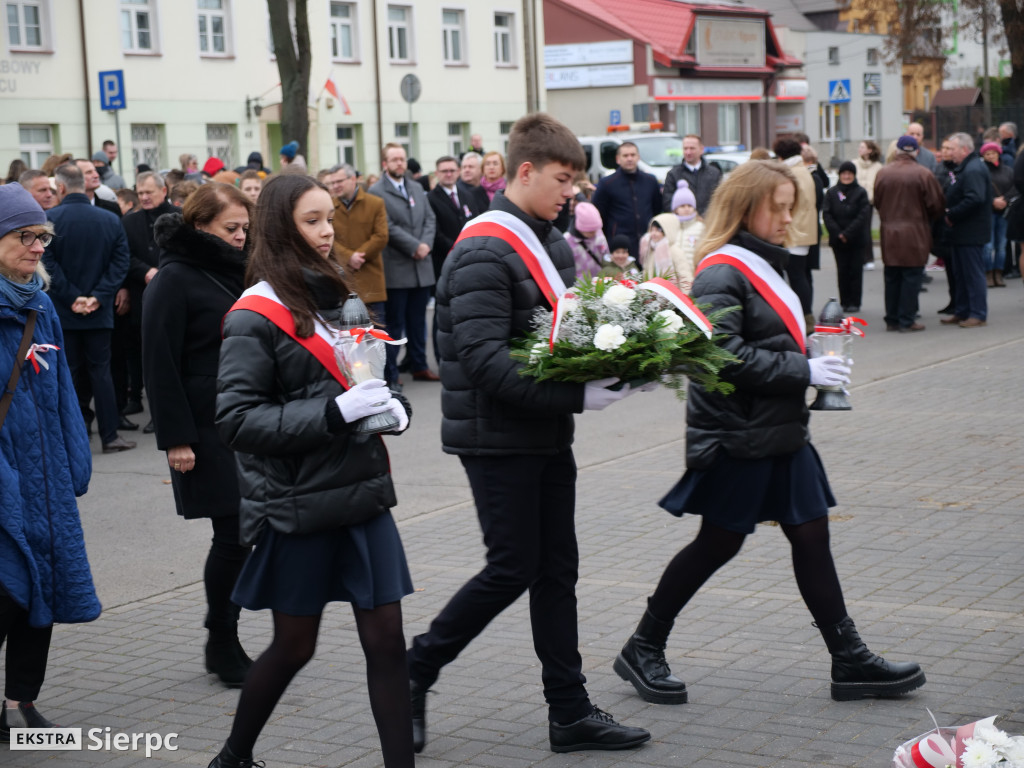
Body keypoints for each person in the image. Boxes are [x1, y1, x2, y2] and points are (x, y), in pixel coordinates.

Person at [613, 159, 925, 708]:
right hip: (739, 434)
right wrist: (804, 370)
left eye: (791, 208)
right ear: (743, 207)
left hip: (780, 431)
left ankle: (848, 658)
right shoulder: (722, 271)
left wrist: (809, 352)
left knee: (811, 533)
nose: (787, 219)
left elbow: (766, 341)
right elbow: (721, 356)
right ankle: (643, 645)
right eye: (777, 208)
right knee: (718, 542)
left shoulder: (763, 264)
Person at [408, 112, 652, 756]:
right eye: (563, 179)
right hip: (495, 438)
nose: (571, 193)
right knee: (512, 567)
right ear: (524, 171)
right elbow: (487, 363)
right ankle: (415, 669)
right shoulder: (485, 248)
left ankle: (569, 712)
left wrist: (627, 354)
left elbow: (558, 335)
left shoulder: (545, 238)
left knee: (556, 570)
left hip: (540, 430)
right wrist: (580, 393)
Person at [208, 173, 413, 768]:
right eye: (312, 221)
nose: (327, 233)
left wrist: (387, 410)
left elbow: (360, 377)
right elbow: (238, 421)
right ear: (280, 227)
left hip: (363, 497)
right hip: (299, 505)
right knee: (295, 646)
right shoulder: (254, 314)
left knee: (387, 645)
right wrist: (332, 413)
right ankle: (233, 756)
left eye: (329, 219)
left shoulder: (339, 295)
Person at [141, 183, 255, 688]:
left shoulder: (244, 269)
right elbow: (158, 363)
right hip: (204, 425)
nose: (240, 237)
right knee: (231, 535)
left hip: (248, 417)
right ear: (199, 225)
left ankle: (223, 634)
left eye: (246, 228)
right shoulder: (174, 278)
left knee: (245, 533)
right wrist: (176, 440)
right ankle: (222, 636)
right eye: (231, 228)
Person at [0, 183, 102, 740]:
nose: (37, 246)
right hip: (5, 479)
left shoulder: (40, 302)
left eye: (42, 236)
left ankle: (21, 706)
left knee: (43, 592)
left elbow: (63, 388)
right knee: (9, 593)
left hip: (47, 482)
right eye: (24, 236)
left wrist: (73, 460)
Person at [44, 163, 135, 453]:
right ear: (83, 185)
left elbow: (46, 263)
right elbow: (120, 262)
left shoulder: (49, 219)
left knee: (69, 373)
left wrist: (72, 297)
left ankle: (74, 435)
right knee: (101, 372)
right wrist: (98, 296)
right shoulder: (109, 220)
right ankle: (110, 436)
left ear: (60, 187)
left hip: (65, 311)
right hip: (99, 311)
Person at [369, 143, 438, 386]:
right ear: (385, 164)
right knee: (395, 324)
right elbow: (386, 226)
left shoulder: (417, 187)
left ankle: (419, 366)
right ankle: (390, 374)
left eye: (402, 158)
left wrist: (426, 244)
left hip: (422, 268)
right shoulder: (377, 191)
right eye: (394, 159)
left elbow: (430, 218)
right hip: (397, 269)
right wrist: (414, 246)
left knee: (418, 321)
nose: (400, 163)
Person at [122, 171, 179, 429]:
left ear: (163, 191)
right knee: (138, 351)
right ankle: (136, 398)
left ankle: (163, 413)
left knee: (167, 355)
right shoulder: (130, 222)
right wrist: (145, 271)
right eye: (140, 193)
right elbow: (124, 255)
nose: (143, 197)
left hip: (175, 294)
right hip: (140, 293)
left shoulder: (180, 219)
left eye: (148, 192)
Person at [872, 137, 945, 332]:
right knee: (911, 277)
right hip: (915, 233)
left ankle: (892, 319)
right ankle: (907, 319)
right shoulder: (924, 174)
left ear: (897, 152)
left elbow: (877, 201)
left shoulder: (883, 173)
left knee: (892, 276)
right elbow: (936, 205)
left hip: (889, 232)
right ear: (915, 152)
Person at [941, 132, 993, 328]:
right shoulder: (965, 168)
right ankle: (962, 310)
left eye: (953, 149)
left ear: (964, 150)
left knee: (972, 274)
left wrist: (952, 214)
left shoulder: (973, 169)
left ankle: (978, 313)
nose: (950, 153)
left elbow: (975, 198)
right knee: (960, 274)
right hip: (961, 232)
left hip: (971, 231)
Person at [327, 163, 389, 322]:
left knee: (376, 334)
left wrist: (359, 255)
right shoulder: (329, 207)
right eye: (333, 183)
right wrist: (349, 257)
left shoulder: (375, 203)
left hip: (371, 280)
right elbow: (329, 238)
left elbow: (381, 236)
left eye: (339, 181)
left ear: (353, 179)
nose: (335, 186)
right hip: (344, 283)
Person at [773, 138, 818, 324]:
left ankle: (805, 315)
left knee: (797, 275)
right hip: (806, 229)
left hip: (795, 230)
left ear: (782, 156)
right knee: (803, 274)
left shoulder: (790, 173)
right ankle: (806, 313)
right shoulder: (803, 170)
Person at [592, 141, 662, 258]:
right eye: (625, 156)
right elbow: (598, 214)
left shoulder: (650, 181)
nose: (629, 159)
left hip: (648, 242)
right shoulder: (607, 183)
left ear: (638, 157)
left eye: (632, 155)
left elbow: (657, 209)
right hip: (620, 247)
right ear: (618, 159)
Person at [822, 161, 871, 313]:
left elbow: (863, 215)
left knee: (855, 271)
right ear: (840, 175)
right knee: (842, 272)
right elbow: (827, 214)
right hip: (838, 240)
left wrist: (848, 233)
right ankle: (844, 301)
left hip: (856, 240)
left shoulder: (861, 192)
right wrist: (838, 233)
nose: (847, 176)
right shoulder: (832, 192)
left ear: (854, 175)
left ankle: (855, 302)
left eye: (850, 173)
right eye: (844, 173)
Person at [662, 134, 722, 216]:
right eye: (685, 148)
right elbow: (668, 203)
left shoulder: (714, 174)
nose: (688, 152)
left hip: (709, 223)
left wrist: (704, 217)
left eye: (692, 148)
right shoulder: (673, 175)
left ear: (701, 149)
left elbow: (719, 200)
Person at [980, 141, 1013, 287]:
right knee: (988, 245)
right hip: (988, 212)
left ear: (998, 153)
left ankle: (998, 273)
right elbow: (980, 189)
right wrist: (992, 201)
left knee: (1002, 245)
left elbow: (1015, 187)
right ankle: (988, 273)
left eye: (993, 153)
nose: (990, 156)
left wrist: (1005, 199)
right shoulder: (981, 171)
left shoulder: (1008, 170)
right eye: (987, 154)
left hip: (1004, 211)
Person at [668, 180, 704, 291]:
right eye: (682, 206)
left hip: (694, 278)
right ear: (676, 209)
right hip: (673, 279)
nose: (687, 208)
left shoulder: (701, 227)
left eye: (689, 205)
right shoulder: (669, 227)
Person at [564, 201, 610, 279]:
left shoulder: (598, 232)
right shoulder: (568, 241)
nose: (594, 233)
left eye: (595, 230)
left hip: (600, 282)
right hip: (580, 287)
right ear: (580, 227)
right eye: (590, 231)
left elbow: (606, 255)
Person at [638, 214, 687, 286]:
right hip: (653, 292)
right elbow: (646, 271)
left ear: (667, 231)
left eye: (658, 230)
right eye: (652, 230)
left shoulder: (674, 250)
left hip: (672, 292)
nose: (654, 233)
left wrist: (685, 294)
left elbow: (684, 273)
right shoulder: (650, 249)